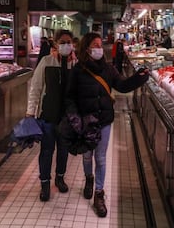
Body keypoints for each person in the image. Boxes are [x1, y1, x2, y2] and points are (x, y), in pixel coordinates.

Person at [64, 32, 149, 217]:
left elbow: (122, 86)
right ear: (87, 49)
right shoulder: (78, 70)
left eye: (99, 45)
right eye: (95, 45)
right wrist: (74, 118)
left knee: (100, 158)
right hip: (85, 122)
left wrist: (139, 77)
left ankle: (99, 193)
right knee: (87, 157)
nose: (99, 49)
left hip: (103, 120)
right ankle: (89, 179)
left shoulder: (109, 69)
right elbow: (69, 97)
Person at [26, 29, 77, 202]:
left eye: (68, 42)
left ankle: (60, 178)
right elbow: (35, 88)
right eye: (62, 42)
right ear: (55, 43)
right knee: (46, 151)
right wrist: (30, 112)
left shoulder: (75, 64)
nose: (66, 45)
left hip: (67, 118)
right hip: (47, 116)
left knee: (63, 150)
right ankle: (45, 184)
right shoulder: (46, 62)